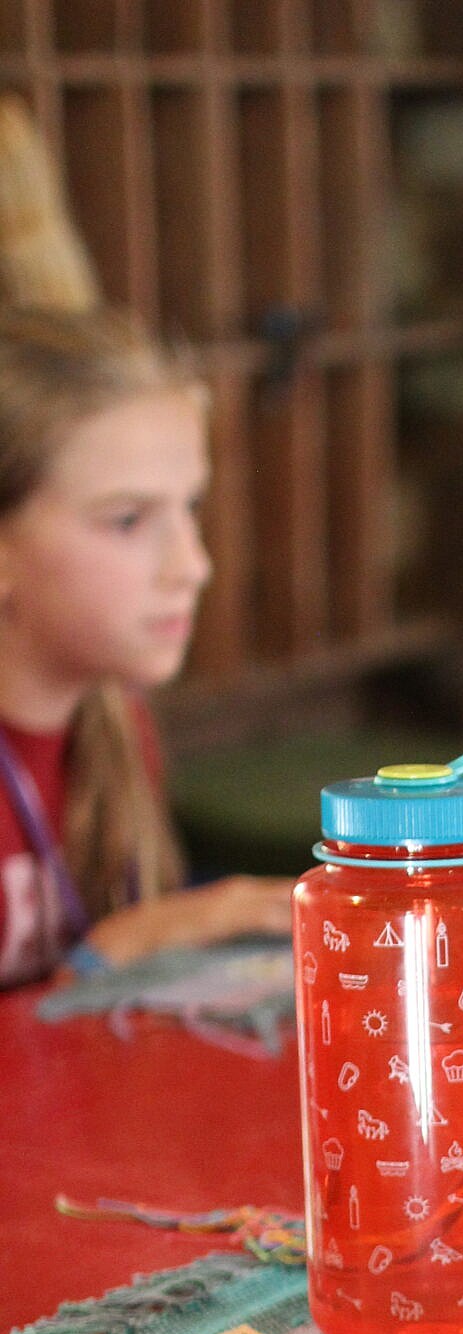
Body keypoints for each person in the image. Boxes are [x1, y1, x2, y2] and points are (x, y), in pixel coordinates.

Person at [0, 305, 291, 990]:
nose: (193, 567)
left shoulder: (114, 722)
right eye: (128, 520)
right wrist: (125, 945)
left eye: (189, 509)